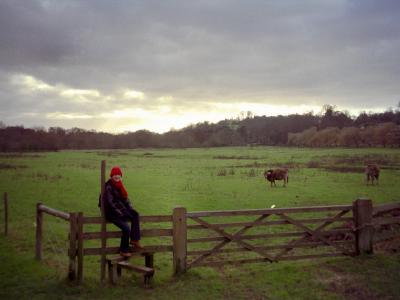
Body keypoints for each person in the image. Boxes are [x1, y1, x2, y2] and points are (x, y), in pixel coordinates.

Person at [102, 166, 143, 257]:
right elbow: (110, 203)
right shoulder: (109, 187)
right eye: (115, 175)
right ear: (111, 176)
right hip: (111, 212)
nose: (117, 176)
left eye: (118, 175)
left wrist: (130, 208)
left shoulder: (120, 185)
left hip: (120, 209)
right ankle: (123, 250)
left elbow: (125, 199)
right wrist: (121, 213)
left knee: (135, 214)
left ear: (121, 176)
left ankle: (134, 239)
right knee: (126, 228)